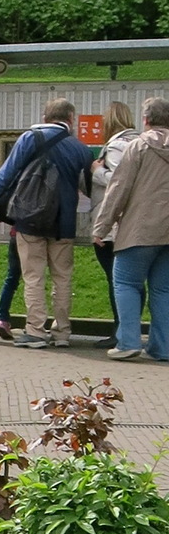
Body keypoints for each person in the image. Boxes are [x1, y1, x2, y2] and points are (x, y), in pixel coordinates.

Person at [0, 99, 93, 349]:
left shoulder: (29, 138)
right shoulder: (80, 148)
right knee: (62, 277)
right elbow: (88, 187)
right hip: (64, 223)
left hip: (30, 219)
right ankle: (62, 332)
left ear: (46, 117)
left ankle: (35, 330)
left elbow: (6, 173)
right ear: (71, 118)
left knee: (34, 276)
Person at [91, 96, 169, 362]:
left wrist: (101, 227)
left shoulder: (138, 147)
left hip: (140, 229)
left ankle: (128, 342)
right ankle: (162, 347)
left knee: (125, 282)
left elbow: (118, 189)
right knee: (163, 290)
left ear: (146, 120)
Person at [88, 100, 138, 337]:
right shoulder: (137, 142)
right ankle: (128, 330)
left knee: (117, 280)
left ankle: (121, 331)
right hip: (131, 221)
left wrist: (97, 171)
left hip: (112, 224)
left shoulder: (117, 145)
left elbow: (119, 181)